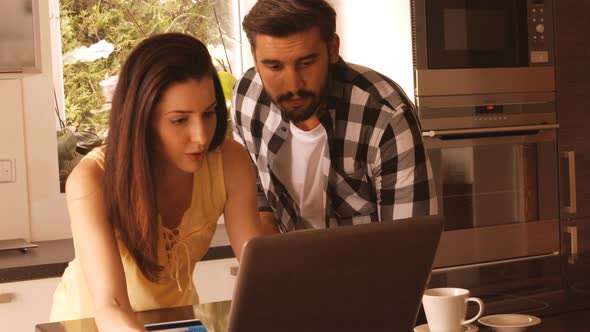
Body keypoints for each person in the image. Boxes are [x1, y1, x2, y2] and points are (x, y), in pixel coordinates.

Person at [49, 33, 263, 331]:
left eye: (209, 113)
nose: (201, 136)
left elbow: (261, 276)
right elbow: (111, 306)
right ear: (143, 118)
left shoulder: (230, 162)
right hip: (93, 323)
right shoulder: (92, 179)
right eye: (179, 120)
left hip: (176, 321)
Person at [231, 0, 438, 234]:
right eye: (274, 67)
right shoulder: (247, 97)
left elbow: (409, 247)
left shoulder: (386, 117)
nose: (293, 85)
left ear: (332, 49)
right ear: (255, 57)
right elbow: (252, 185)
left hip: (370, 269)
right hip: (285, 267)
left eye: (306, 63)